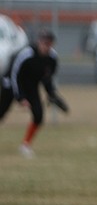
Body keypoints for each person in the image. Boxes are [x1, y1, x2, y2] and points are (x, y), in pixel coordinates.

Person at [0, 29, 66, 158]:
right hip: (12, 83)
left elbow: (47, 78)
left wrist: (51, 93)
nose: (45, 46)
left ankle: (25, 145)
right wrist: (20, 97)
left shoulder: (52, 58)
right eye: (43, 42)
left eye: (49, 43)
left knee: (38, 115)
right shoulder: (27, 54)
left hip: (31, 86)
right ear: (38, 42)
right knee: (1, 112)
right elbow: (15, 75)